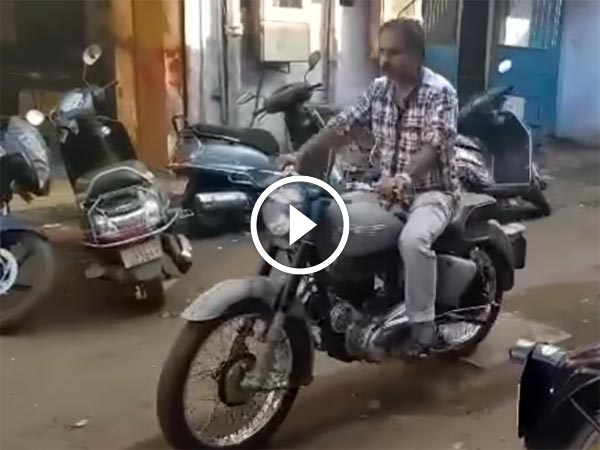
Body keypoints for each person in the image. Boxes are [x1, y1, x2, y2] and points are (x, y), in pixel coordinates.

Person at [287, 18, 460, 358]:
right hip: (384, 190)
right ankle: (349, 298)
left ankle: (422, 329)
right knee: (332, 217)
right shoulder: (379, 90)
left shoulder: (440, 92)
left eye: (394, 53)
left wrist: (405, 177)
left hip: (431, 192)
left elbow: (433, 146)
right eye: (381, 52)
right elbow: (342, 126)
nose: (384, 61)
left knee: (413, 241)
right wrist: (302, 156)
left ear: (416, 55)